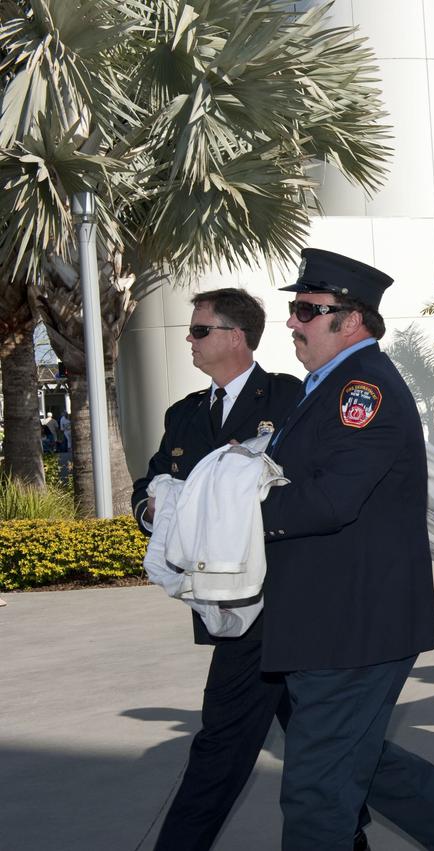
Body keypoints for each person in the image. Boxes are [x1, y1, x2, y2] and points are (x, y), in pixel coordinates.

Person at [261, 249, 434, 850]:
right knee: (349, 752)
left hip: (353, 624)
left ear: (352, 320)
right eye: (295, 308)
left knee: (316, 787)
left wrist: (236, 514)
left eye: (308, 311)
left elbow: (331, 500)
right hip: (333, 618)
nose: (293, 321)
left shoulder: (362, 391)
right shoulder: (328, 385)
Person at [130, 289, 309, 851]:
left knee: (222, 743)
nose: (190, 338)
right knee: (323, 740)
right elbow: (151, 482)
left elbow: (304, 485)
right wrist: (154, 506)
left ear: (236, 336)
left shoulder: (289, 396)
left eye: (200, 330)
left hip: (282, 596)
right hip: (223, 598)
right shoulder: (183, 415)